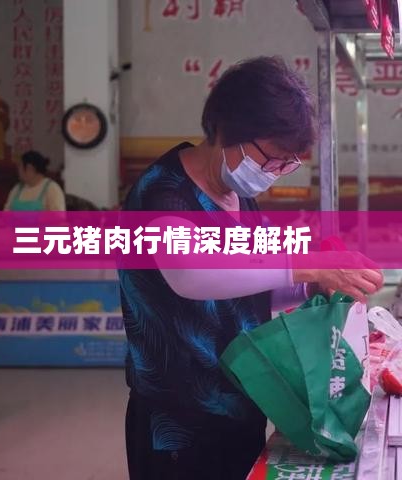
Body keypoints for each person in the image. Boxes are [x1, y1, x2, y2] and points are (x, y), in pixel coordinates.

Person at [118, 57, 383, 480]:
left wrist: (311, 285)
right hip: (180, 421)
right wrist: (304, 266)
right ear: (226, 128)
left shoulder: (239, 197)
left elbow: (247, 284)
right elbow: (193, 275)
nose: (274, 173)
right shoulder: (162, 193)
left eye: (287, 164)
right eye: (271, 159)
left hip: (242, 400)